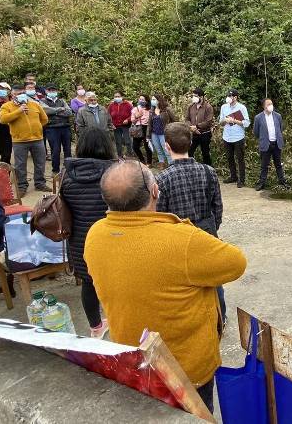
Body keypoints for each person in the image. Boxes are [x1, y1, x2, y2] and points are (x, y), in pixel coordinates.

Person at [85, 160, 246, 412]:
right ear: (155, 192)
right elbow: (236, 262)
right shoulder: (181, 240)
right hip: (185, 370)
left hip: (133, 361)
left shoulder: (95, 235)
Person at [157, 122, 228, 323]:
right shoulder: (208, 171)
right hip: (206, 230)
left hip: (177, 235)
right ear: (190, 143)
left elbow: (160, 215)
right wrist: (212, 227)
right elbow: (218, 207)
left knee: (183, 280)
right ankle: (219, 316)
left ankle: (192, 318)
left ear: (167, 146)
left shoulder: (162, 178)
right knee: (213, 277)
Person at [59, 127, 115, 338]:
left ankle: (96, 326)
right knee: (118, 281)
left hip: (80, 240)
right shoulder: (115, 172)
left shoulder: (66, 173)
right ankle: (121, 320)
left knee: (89, 282)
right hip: (112, 237)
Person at [0, 84, 49, 194]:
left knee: (40, 162)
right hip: (19, 141)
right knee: (20, 165)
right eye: (17, 94)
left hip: (37, 139)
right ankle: (22, 185)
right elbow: (2, 119)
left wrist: (37, 129)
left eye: (22, 93)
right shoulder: (7, 106)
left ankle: (40, 183)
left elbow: (44, 119)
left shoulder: (34, 104)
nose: (20, 95)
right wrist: (19, 111)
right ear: (12, 95)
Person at [252, 98, 287, 191]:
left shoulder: (278, 116)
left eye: (271, 103)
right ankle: (262, 183)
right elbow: (256, 132)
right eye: (268, 104)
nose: (271, 105)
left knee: (278, 164)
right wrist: (263, 138)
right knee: (264, 165)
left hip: (276, 144)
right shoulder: (258, 117)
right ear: (264, 106)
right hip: (265, 144)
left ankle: (282, 180)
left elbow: (280, 128)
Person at [40, 83, 73, 176]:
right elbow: (45, 111)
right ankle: (55, 170)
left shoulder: (62, 100)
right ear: (46, 91)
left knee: (68, 150)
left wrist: (53, 111)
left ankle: (68, 169)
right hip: (52, 128)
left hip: (65, 127)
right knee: (55, 150)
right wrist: (60, 110)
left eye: (54, 90)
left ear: (57, 91)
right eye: (50, 90)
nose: (52, 92)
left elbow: (69, 112)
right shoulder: (43, 101)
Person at [219, 90, 250, 188]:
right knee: (229, 157)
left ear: (235, 97)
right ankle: (233, 176)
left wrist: (235, 121)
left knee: (240, 158)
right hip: (227, 136)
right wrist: (225, 120)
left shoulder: (241, 107)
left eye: (230, 96)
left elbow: (247, 123)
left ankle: (242, 179)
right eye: (227, 95)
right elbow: (221, 122)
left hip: (238, 137)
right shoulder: (224, 107)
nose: (228, 97)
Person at [186, 88, 214, 166]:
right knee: (189, 152)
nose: (193, 97)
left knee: (205, 153)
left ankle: (209, 170)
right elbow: (187, 119)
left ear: (201, 97)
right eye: (193, 96)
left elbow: (208, 122)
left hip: (205, 134)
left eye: (196, 96)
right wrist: (192, 128)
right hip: (194, 133)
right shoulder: (191, 106)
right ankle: (190, 169)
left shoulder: (208, 107)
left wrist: (197, 126)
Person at [149, 94, 176, 171]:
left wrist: (172, 130)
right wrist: (148, 136)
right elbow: (149, 124)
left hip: (164, 133)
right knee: (158, 149)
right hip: (154, 133)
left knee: (166, 149)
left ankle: (171, 164)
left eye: (154, 99)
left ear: (159, 100)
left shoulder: (166, 110)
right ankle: (162, 163)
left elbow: (174, 120)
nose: (152, 101)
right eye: (152, 99)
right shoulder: (152, 110)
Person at [108, 91, 133, 159]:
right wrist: (111, 124)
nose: (117, 98)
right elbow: (108, 115)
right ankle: (119, 156)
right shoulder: (111, 105)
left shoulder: (127, 105)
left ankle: (130, 155)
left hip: (125, 126)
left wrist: (128, 119)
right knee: (118, 142)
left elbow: (133, 114)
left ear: (122, 97)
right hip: (116, 126)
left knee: (127, 141)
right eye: (115, 96)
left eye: (118, 96)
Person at [130, 94, 153, 166]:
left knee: (147, 146)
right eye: (140, 99)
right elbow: (132, 121)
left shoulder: (150, 109)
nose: (141, 101)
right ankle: (142, 160)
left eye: (143, 100)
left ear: (147, 101)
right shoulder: (135, 109)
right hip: (138, 128)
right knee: (135, 146)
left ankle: (149, 162)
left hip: (147, 128)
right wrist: (137, 116)